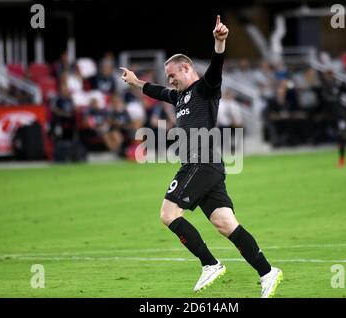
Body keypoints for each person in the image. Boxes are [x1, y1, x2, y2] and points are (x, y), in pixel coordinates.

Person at [120, 15, 282, 298]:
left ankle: (210, 264)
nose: (170, 81)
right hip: (209, 167)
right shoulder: (180, 97)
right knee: (226, 224)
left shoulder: (205, 89)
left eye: (173, 75)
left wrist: (220, 42)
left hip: (201, 162)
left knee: (168, 214)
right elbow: (158, 92)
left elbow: (216, 68)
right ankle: (268, 272)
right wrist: (136, 83)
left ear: (187, 68)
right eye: (168, 77)